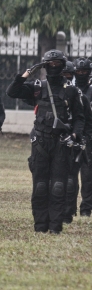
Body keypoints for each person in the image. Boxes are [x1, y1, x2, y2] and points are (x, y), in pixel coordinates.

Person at [7, 50, 84, 234]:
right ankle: (40, 227)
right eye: (50, 63)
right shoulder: (37, 87)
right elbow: (12, 92)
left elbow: (80, 119)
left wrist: (74, 136)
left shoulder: (72, 91)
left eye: (58, 63)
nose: (54, 66)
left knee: (58, 187)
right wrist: (27, 73)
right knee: (40, 187)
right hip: (40, 143)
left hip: (61, 143)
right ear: (44, 65)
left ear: (63, 65)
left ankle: (55, 227)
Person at [62, 60, 92, 223]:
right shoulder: (69, 91)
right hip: (70, 137)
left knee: (87, 177)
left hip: (88, 139)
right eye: (78, 72)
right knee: (70, 176)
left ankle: (86, 209)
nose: (81, 74)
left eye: (84, 71)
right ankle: (70, 208)